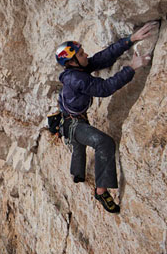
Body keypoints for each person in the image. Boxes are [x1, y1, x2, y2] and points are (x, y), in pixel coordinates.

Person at [55, 22, 157, 213]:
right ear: (71, 62)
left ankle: (77, 174)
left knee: (78, 148)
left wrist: (130, 40)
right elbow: (104, 88)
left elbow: (104, 57)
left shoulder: (77, 70)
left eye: (83, 52)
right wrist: (131, 68)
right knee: (104, 143)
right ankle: (101, 191)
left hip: (71, 120)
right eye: (81, 54)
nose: (85, 55)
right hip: (73, 124)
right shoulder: (77, 78)